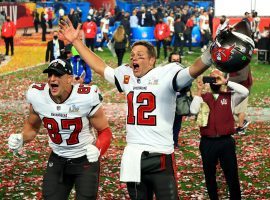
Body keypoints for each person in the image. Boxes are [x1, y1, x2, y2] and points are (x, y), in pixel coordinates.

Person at [59, 18, 213, 199]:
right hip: (133, 155)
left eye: (140, 55)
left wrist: (209, 56)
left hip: (160, 153)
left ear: (152, 60)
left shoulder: (166, 74)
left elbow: (192, 70)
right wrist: (76, 42)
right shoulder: (127, 76)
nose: (134, 58)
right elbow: (101, 68)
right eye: (132, 55)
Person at [8, 58, 112, 199]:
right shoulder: (38, 95)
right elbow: (32, 126)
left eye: (57, 75)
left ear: (69, 79)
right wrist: (22, 138)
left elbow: (104, 131)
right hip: (58, 157)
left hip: (85, 159)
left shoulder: (86, 97)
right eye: (50, 75)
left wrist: (98, 149)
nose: (52, 79)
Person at [190, 69, 249, 200]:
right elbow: (193, 110)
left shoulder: (230, 97)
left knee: (232, 174)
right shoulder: (203, 97)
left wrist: (226, 82)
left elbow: (245, 92)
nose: (215, 79)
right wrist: (199, 90)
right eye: (212, 77)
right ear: (208, 81)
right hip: (207, 142)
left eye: (218, 76)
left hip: (225, 141)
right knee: (209, 174)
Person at [227, 65, 253, 135]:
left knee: (240, 109)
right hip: (233, 88)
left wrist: (227, 80)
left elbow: (243, 77)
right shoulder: (232, 62)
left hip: (243, 89)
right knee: (232, 109)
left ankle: (241, 127)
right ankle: (243, 122)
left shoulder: (243, 62)